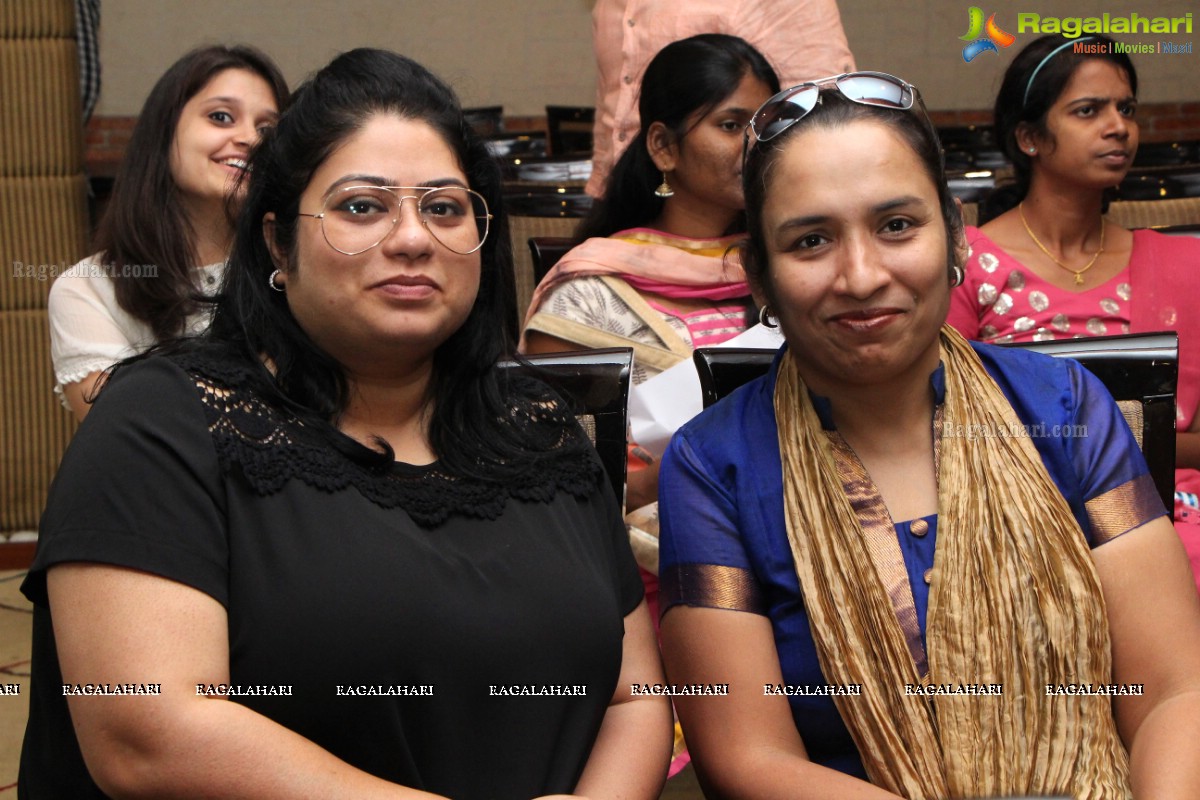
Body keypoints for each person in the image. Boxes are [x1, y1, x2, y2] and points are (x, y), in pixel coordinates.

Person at [20, 48, 672, 799]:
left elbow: (635, 694)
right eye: (362, 206)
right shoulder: (164, 421)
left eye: (444, 207)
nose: (412, 238)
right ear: (276, 242)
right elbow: (150, 733)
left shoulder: (538, 428)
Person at [658, 72, 1200, 797]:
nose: (861, 274)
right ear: (760, 274)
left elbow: (1173, 688)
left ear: (954, 237)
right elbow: (748, 756)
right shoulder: (712, 465)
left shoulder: (1063, 406)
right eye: (811, 240)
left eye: (896, 226)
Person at [946, 33, 1200, 593]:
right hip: (1022, 510)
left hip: (1173, 505)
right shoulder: (971, 265)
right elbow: (946, 429)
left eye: (1126, 108)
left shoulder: (1184, 264)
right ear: (1030, 137)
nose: (1118, 127)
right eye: (1089, 110)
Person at [523, 33, 777, 511]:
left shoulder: (792, 272)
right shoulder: (588, 297)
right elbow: (554, 482)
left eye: (765, 127)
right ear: (664, 147)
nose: (753, 145)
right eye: (730, 124)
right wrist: (666, 481)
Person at [49, 44, 288, 420]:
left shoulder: (295, 270)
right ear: (164, 134)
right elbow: (131, 433)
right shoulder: (89, 288)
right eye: (221, 117)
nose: (249, 139)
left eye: (267, 129)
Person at [586, 0, 855, 197]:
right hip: (628, 206)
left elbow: (822, 122)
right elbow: (612, 105)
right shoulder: (609, 6)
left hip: (746, 221)